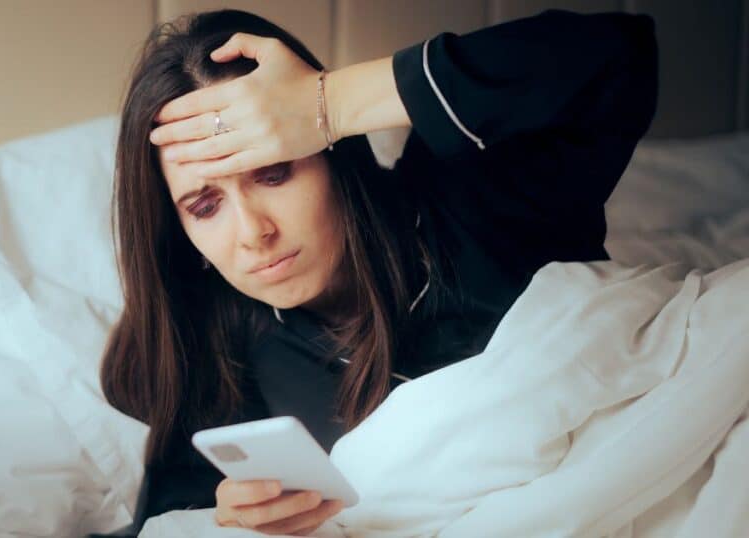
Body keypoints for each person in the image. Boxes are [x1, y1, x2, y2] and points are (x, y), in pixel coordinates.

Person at [97, 7, 658, 536]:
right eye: (204, 206)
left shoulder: (474, 196)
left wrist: (331, 102)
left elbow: (618, 56)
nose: (252, 233)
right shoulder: (219, 339)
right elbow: (171, 516)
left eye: (272, 173)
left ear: (330, 152)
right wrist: (230, 516)